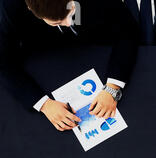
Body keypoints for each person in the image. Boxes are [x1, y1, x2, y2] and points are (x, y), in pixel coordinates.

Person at [0, 0, 139, 131]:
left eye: (71, 12)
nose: (68, 23)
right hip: (44, 61)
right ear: (29, 8)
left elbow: (127, 30)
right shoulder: (9, 7)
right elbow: (3, 62)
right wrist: (44, 104)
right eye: (57, 22)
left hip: (97, 47)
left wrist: (113, 88)